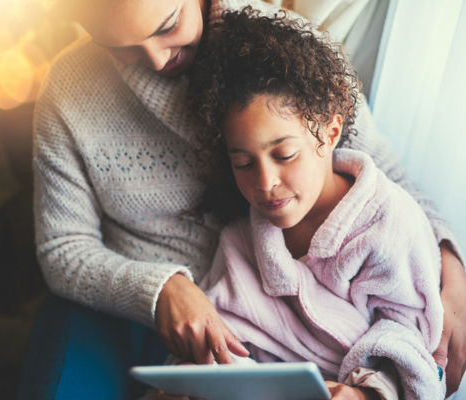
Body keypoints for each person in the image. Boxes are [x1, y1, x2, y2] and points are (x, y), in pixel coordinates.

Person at [33, 0, 466, 396]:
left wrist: (448, 265)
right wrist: (160, 289)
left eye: (168, 26)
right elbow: (62, 247)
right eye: (121, 48)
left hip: (269, 323)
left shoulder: (283, 53)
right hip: (141, 312)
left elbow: (385, 179)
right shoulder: (68, 92)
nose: (155, 58)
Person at [178, 8, 445, 399]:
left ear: (331, 131)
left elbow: (414, 340)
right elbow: (222, 337)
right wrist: (192, 379)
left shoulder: (389, 224)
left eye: (284, 155)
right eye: (244, 163)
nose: (265, 182)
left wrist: (366, 393)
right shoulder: (240, 242)